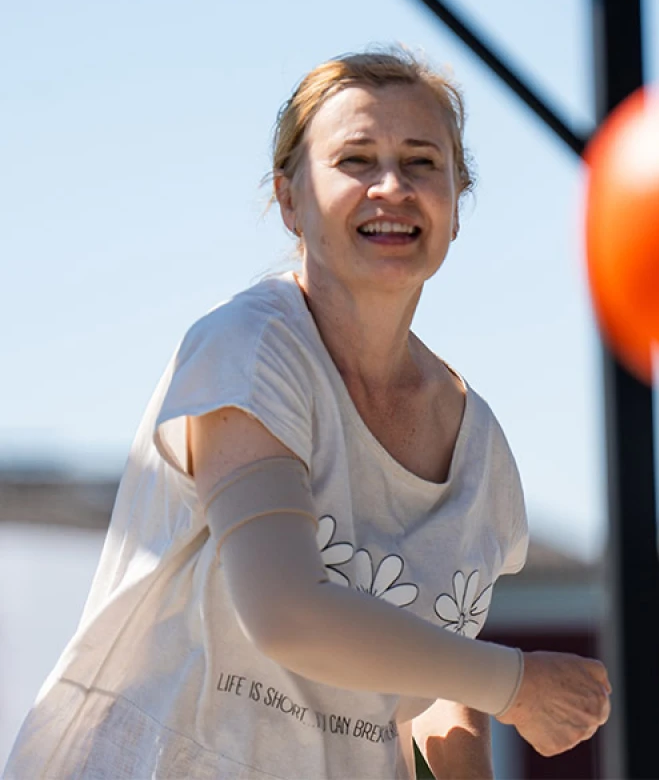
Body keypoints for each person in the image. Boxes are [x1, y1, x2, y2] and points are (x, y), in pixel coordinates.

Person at [3, 48, 611, 780]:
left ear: (457, 201)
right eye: (356, 159)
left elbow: (441, 671)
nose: (392, 186)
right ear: (290, 200)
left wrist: (482, 718)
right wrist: (517, 684)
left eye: (422, 162)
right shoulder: (252, 348)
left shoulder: (477, 446)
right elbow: (286, 612)